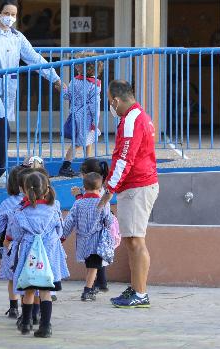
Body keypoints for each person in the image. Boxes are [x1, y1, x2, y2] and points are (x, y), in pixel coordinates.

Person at [0, 0, 66, 185]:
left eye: (13, 15)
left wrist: (54, 77)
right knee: (3, 129)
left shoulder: (17, 37)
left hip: (7, 87)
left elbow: (34, 58)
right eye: (7, 13)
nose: (10, 17)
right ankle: (1, 174)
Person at [98, 80, 159, 308]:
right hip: (136, 185)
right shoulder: (137, 117)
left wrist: (108, 192)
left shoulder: (132, 120)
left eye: (110, 102)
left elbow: (125, 158)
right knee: (132, 241)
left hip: (137, 186)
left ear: (115, 100)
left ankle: (140, 293)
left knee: (135, 241)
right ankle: (136, 288)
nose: (110, 107)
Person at [8, 171, 69, 338]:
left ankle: (26, 323)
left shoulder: (21, 211)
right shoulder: (54, 210)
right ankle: (45, 326)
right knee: (45, 293)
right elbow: (60, 231)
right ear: (47, 189)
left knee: (28, 291)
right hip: (48, 258)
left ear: (26, 191)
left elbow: (16, 234)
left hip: (29, 258)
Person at [62, 172, 114, 302]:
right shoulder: (103, 203)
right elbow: (108, 221)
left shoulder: (78, 203)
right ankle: (87, 290)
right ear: (100, 188)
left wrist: (62, 237)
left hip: (83, 243)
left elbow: (69, 222)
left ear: (84, 188)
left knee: (90, 267)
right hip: (97, 243)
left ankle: (90, 286)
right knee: (93, 268)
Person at [58, 52, 104, 177]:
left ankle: (88, 164)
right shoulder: (94, 84)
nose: (75, 66)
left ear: (86, 67)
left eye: (78, 65)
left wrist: (63, 89)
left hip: (75, 115)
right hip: (87, 118)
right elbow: (95, 106)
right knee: (79, 142)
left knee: (87, 140)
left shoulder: (74, 81)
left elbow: (68, 96)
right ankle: (65, 166)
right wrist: (96, 122)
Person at [71, 158, 112, 292]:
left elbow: (89, 209)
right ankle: (101, 283)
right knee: (96, 260)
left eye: (82, 173)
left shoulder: (97, 193)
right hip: (99, 234)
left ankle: (91, 287)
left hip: (94, 234)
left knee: (93, 262)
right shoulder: (100, 189)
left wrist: (78, 196)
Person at [0, 165, 26, 318]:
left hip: (11, 245)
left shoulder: (7, 203)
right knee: (29, 277)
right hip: (30, 246)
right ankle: (29, 305)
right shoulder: (35, 202)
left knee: (13, 277)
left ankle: (13, 308)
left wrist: (1, 234)